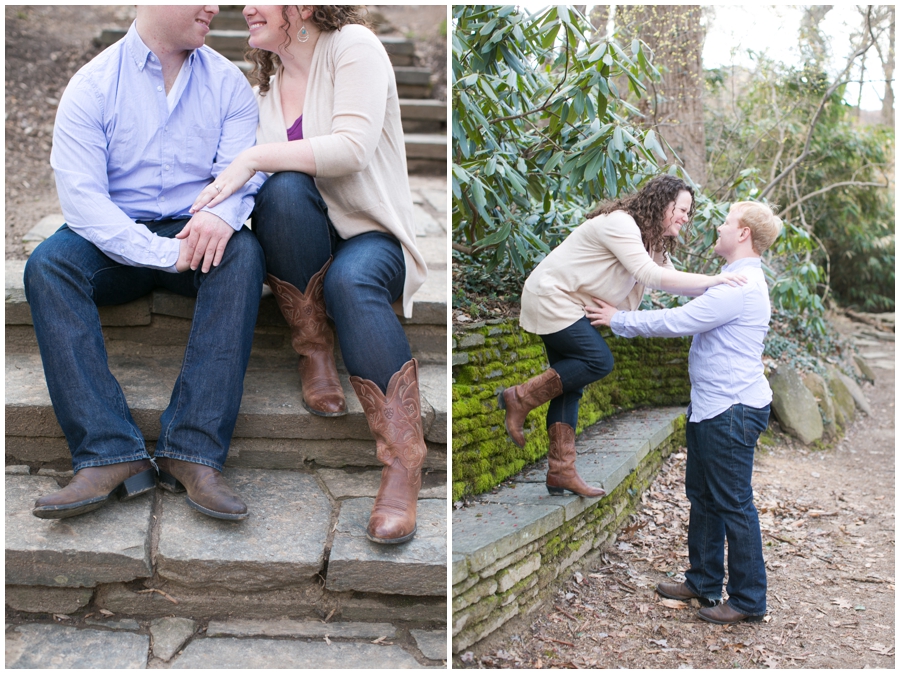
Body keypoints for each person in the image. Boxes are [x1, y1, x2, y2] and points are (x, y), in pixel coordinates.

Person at [190, 6, 429, 545]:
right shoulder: (266, 85)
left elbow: (352, 148)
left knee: (351, 281)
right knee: (282, 191)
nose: (244, 6)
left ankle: (402, 463)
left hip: (372, 236)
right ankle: (313, 347)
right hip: (307, 240)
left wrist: (252, 156)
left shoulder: (353, 47)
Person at [24, 6, 266, 521]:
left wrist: (219, 219)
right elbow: (85, 203)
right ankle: (108, 453)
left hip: (193, 227)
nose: (215, 8)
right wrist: (162, 253)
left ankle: (193, 453)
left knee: (243, 255)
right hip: (113, 232)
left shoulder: (229, 85)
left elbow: (243, 174)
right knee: (48, 266)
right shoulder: (92, 85)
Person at [586, 201, 783, 625]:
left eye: (727, 222)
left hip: (733, 408)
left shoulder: (740, 287)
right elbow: (681, 287)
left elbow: (680, 320)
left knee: (733, 503)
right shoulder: (730, 279)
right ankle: (704, 581)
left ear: (744, 233)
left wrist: (619, 319)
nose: (719, 225)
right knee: (704, 497)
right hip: (714, 406)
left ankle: (749, 599)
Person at [499, 175, 747, 498]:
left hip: (572, 305)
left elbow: (672, 277)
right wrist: (716, 280)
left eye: (688, 212)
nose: (686, 218)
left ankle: (561, 470)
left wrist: (721, 294)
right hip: (553, 297)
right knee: (598, 360)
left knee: (570, 386)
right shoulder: (622, 224)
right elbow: (650, 276)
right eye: (682, 209)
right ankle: (518, 398)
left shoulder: (651, 240)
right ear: (662, 203)